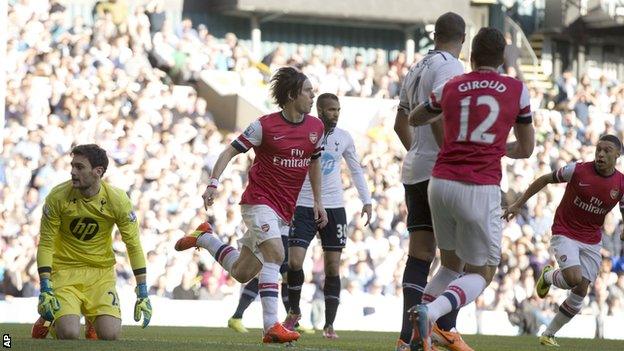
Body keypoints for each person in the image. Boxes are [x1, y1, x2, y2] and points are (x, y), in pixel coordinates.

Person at [175, 66, 328, 344]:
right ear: (293, 95)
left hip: (283, 211)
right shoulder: (264, 126)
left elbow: (314, 162)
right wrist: (213, 183)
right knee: (276, 253)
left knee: (242, 272)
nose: (312, 95)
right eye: (308, 91)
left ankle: (206, 238)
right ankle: (271, 326)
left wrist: (318, 201)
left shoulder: (316, 128)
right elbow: (228, 152)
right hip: (258, 202)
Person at [408, 27, 535, 351]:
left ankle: (413, 338)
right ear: (502, 58)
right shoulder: (516, 89)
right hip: (478, 186)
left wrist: (449, 133)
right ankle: (431, 312)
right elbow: (526, 148)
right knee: (484, 271)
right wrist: (492, 146)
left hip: (440, 182)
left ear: (472, 57)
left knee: (450, 265)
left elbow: (416, 116)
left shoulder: (453, 86)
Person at [393, 12, 473, 351]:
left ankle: (406, 337)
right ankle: (444, 327)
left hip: (414, 169)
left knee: (420, 255)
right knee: (460, 257)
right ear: (463, 38)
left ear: (435, 35)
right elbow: (441, 114)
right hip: (442, 171)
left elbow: (401, 123)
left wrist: (422, 152)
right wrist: (448, 157)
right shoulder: (453, 68)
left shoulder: (415, 68)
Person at [503, 134, 624, 347]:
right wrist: (518, 204)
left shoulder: (621, 183)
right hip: (565, 231)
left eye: (606, 150)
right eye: (598, 149)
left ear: (617, 155)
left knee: (581, 290)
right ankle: (549, 276)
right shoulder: (577, 170)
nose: (601, 154)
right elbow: (543, 180)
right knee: (573, 278)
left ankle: (549, 334)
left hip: (592, 238)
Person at [31, 144, 151, 340]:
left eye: (79, 167)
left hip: (100, 274)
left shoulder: (117, 200)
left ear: (98, 172)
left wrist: (143, 291)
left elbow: (134, 245)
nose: (72, 172)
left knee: (110, 335)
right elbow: (45, 243)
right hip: (65, 271)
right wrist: (45, 287)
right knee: (69, 333)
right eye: (72, 166)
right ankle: (49, 319)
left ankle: (91, 320)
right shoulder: (57, 196)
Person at [285, 93, 373, 339]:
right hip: (303, 204)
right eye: (331, 110)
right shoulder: (305, 133)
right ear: (320, 111)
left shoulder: (344, 138)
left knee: (333, 267)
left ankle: (329, 325)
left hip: (334, 208)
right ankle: (294, 312)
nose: (335, 113)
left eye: (338, 109)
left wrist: (367, 200)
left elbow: (356, 169)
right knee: (294, 262)